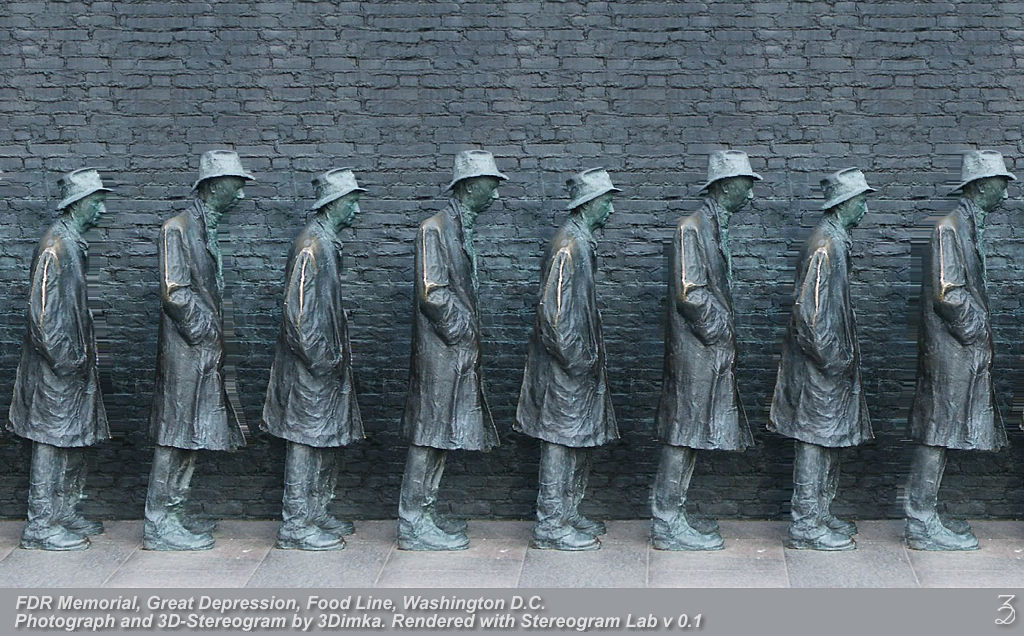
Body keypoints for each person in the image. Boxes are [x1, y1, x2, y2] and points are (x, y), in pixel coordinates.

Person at [905, 150, 1014, 550]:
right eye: (1001, 184)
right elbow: (948, 293)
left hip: (958, 350)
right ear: (981, 187)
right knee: (937, 432)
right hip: (951, 351)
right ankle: (920, 522)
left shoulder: (966, 226)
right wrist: (978, 331)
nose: (1006, 193)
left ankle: (927, 513)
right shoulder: (949, 228)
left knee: (944, 432)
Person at [398, 150, 505, 550]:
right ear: (470, 186)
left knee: (441, 435)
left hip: (453, 352)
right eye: (491, 186)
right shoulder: (435, 229)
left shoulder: (459, 228)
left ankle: (425, 512)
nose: (495, 195)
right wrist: (465, 334)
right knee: (429, 434)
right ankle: (412, 523)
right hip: (440, 353)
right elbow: (434, 293)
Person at [146, 150, 253, 550]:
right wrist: (207, 332)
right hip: (186, 351)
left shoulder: (206, 228)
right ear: (212, 186)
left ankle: (174, 512)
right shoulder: (177, 228)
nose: (241, 195)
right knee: (175, 434)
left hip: (202, 352)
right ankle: (158, 523)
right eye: (235, 186)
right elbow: (175, 292)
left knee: (193, 434)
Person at [651, 150, 758, 550]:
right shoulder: (692, 228)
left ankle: (675, 513)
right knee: (683, 432)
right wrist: (721, 333)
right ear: (726, 187)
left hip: (704, 350)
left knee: (692, 433)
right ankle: (666, 522)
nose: (750, 195)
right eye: (746, 185)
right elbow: (691, 293)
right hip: (695, 352)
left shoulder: (713, 227)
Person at [769, 168, 875, 551]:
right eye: (861, 201)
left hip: (830, 364)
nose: (865, 209)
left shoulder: (836, 241)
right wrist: (833, 359)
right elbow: (809, 315)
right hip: (820, 367)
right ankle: (805, 525)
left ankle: (820, 512)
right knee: (814, 441)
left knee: (828, 438)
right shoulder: (825, 245)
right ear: (844, 204)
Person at [516, 168, 621, 551]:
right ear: (589, 204)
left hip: (578, 364)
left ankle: (568, 511)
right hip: (566, 368)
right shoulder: (568, 246)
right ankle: (550, 524)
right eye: (607, 201)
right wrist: (578, 360)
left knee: (577, 438)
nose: (611, 209)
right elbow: (554, 315)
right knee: (560, 442)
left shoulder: (581, 242)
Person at [262, 168, 366, 551]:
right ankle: (295, 524)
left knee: (325, 439)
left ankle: (316, 511)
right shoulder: (312, 246)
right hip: (311, 368)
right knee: (305, 442)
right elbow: (298, 314)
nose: (357, 210)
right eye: (352, 202)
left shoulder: (327, 242)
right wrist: (323, 360)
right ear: (334, 204)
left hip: (325, 365)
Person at [8, 168, 112, 550]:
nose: (102, 209)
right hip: (56, 368)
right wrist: (66, 361)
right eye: (97, 201)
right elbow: (42, 315)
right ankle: (40, 525)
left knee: (73, 438)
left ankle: (64, 512)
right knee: (51, 443)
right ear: (77, 204)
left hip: (72, 365)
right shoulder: (55, 247)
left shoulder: (73, 243)